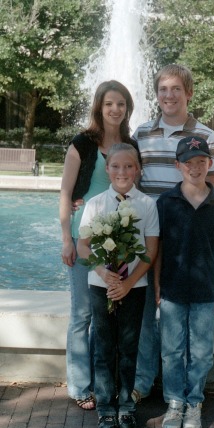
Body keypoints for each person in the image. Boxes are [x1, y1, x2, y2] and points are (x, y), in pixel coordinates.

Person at [132, 64, 214, 403]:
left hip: (186, 240)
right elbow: (130, 180)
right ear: (156, 94)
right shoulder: (142, 133)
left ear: (188, 93)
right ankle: (143, 381)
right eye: (163, 89)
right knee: (146, 309)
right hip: (149, 236)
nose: (168, 95)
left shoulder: (206, 136)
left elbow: (213, 190)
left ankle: (186, 391)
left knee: (183, 314)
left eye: (175, 89)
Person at [59, 80, 137, 410]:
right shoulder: (82, 143)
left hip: (118, 244)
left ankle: (103, 379)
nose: (115, 109)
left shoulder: (131, 145)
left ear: (127, 108)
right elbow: (65, 192)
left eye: (120, 104)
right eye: (109, 104)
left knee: (107, 316)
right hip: (84, 239)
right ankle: (79, 385)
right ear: (99, 107)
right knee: (82, 314)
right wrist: (66, 238)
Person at [155, 135, 214, 428]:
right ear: (178, 166)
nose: (195, 167)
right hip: (173, 290)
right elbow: (158, 248)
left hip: (204, 290)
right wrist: (157, 284)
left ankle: (194, 402)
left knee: (201, 352)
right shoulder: (166, 202)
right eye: (189, 162)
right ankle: (175, 402)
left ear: (209, 164)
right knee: (172, 351)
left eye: (201, 161)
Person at [77, 143, 159, 428]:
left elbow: (150, 251)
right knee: (103, 346)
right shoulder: (96, 203)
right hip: (102, 286)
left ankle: (126, 404)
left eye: (128, 166)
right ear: (107, 169)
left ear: (137, 170)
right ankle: (105, 406)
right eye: (116, 166)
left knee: (128, 346)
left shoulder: (147, 205)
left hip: (134, 286)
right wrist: (103, 272)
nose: (122, 172)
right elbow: (83, 246)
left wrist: (127, 282)